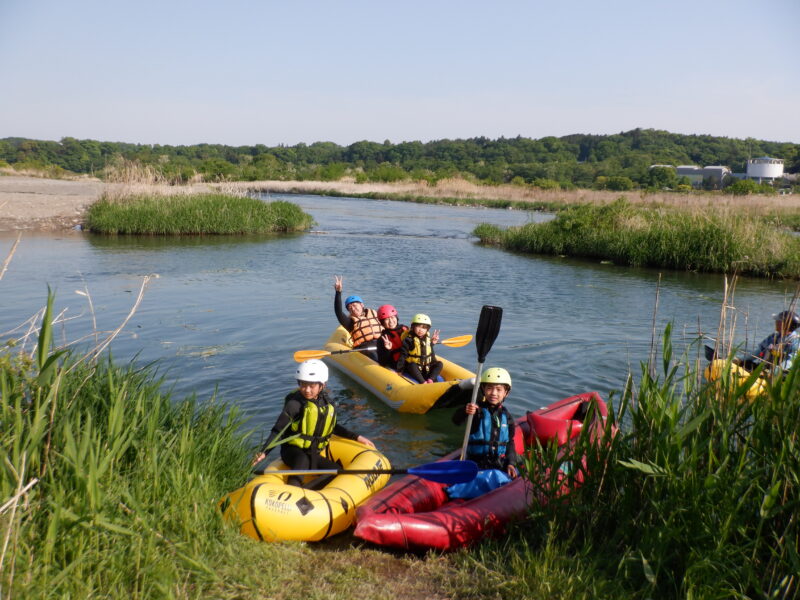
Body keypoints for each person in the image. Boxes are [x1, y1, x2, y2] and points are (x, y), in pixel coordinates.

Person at [250, 359, 375, 487]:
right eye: (303, 385)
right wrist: (264, 451)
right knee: (302, 459)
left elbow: (333, 427)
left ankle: (306, 490)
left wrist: (357, 437)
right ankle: (293, 489)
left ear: (322, 385)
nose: (307, 390)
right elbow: (278, 430)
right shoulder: (294, 404)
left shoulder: (327, 403)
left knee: (337, 471)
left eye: (312, 386)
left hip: (312, 452)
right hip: (291, 451)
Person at [452, 367, 519, 479]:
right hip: (476, 464)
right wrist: (465, 411)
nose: (493, 393)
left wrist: (511, 463)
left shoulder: (506, 416)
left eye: (498, 389)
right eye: (489, 388)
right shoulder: (475, 410)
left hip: (499, 463)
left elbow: (510, 442)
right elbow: (456, 420)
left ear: (506, 393)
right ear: (483, 389)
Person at [333, 275, 381, 362]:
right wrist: (338, 292)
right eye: (350, 308)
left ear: (362, 305)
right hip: (366, 348)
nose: (353, 308)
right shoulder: (350, 322)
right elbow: (338, 312)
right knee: (375, 355)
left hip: (381, 344)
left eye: (355, 305)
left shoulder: (375, 314)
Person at [397, 313, 442, 383]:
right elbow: (403, 356)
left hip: (426, 368)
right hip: (414, 368)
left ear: (427, 329)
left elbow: (430, 353)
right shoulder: (409, 340)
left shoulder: (427, 339)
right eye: (418, 326)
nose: (421, 330)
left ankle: (431, 379)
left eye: (424, 328)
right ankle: (423, 382)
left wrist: (432, 343)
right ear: (413, 327)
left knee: (439, 364)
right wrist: (399, 370)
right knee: (411, 365)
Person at [375, 304, 408, 369]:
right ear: (382, 322)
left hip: (411, 362)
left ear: (396, 318)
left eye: (392, 317)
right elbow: (382, 363)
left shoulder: (405, 330)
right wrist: (388, 350)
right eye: (386, 319)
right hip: (397, 365)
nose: (391, 321)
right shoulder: (382, 339)